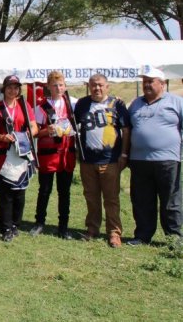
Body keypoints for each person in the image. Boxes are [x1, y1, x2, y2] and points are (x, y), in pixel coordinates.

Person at [125, 66, 183, 245]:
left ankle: (174, 238)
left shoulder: (176, 102)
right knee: (142, 200)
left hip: (168, 160)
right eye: (144, 82)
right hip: (139, 161)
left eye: (150, 82)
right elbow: (129, 130)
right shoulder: (136, 104)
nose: (146, 85)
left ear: (162, 84)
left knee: (170, 201)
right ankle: (142, 236)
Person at [74, 73, 130, 248]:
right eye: (93, 85)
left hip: (110, 160)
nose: (97, 88)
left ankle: (114, 233)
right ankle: (92, 228)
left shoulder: (117, 105)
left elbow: (126, 130)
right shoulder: (82, 104)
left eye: (100, 85)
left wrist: (124, 154)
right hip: (88, 161)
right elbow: (73, 126)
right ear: (89, 86)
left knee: (111, 198)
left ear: (107, 86)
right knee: (91, 197)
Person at [31, 71, 76, 239]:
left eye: (61, 85)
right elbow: (34, 133)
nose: (58, 88)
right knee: (45, 190)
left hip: (66, 155)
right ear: (48, 87)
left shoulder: (72, 104)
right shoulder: (41, 108)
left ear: (65, 86)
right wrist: (45, 131)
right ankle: (39, 223)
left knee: (64, 192)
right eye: (55, 85)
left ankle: (63, 227)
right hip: (48, 156)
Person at [0, 75, 38, 242]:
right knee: (6, 194)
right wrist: (3, 137)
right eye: (10, 87)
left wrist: (26, 135)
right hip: (4, 154)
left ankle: (15, 225)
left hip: (22, 153)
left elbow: (34, 126)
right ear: (4, 89)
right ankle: (5, 227)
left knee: (20, 192)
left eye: (16, 87)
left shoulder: (24, 105)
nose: (13, 90)